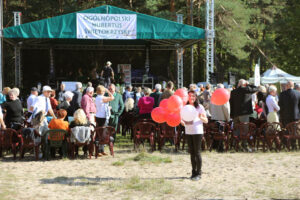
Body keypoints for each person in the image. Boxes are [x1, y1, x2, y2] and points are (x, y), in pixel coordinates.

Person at [181, 90, 208, 181]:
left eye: (193, 96)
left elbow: (206, 120)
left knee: (197, 152)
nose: (191, 98)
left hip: (197, 131)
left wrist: (201, 117)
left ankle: (199, 173)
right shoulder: (184, 107)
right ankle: (193, 172)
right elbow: (183, 120)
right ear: (187, 97)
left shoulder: (199, 107)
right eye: (190, 96)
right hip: (188, 131)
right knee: (191, 153)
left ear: (195, 97)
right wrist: (181, 122)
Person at [95, 85, 115, 156]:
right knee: (103, 133)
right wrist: (108, 91)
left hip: (98, 116)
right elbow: (112, 97)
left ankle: (101, 150)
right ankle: (100, 150)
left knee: (100, 133)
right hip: (103, 117)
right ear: (102, 91)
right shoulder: (102, 97)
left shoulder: (97, 97)